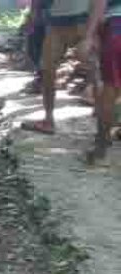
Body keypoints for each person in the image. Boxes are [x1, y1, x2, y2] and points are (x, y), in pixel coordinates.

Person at [22, 0, 95, 134]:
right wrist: (33, 14)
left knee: (98, 67)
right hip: (58, 21)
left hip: (80, 19)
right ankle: (48, 120)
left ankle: (105, 117)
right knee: (47, 70)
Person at [83, 0, 121, 163]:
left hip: (116, 26)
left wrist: (90, 35)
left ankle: (101, 147)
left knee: (110, 88)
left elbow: (100, 3)